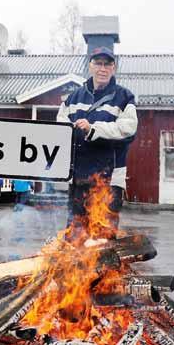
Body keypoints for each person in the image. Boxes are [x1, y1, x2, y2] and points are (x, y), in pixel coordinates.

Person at [56, 46, 137, 235]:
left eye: (107, 64)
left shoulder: (125, 97)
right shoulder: (73, 97)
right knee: (76, 233)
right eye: (98, 63)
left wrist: (93, 129)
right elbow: (60, 124)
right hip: (79, 176)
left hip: (110, 178)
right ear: (90, 66)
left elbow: (128, 129)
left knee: (103, 235)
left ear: (114, 68)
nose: (103, 68)